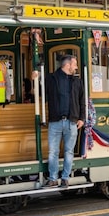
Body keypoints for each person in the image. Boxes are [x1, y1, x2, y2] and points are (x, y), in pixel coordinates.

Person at [38, 55, 85, 188]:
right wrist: (36, 76)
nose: (76, 67)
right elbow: (41, 90)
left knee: (68, 151)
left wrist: (82, 118)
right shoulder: (52, 79)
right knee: (53, 151)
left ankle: (65, 178)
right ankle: (53, 178)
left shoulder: (77, 82)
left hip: (71, 122)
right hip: (55, 121)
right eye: (74, 64)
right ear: (68, 65)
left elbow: (82, 101)